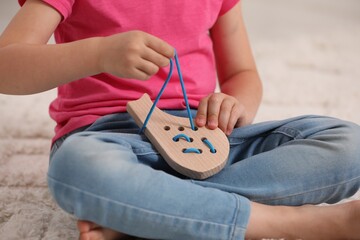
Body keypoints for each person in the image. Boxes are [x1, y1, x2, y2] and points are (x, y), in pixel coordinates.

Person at [0, 0, 359, 239]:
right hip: (109, 139)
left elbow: (242, 72)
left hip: (206, 138)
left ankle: (146, 211)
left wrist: (234, 104)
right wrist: (99, 53)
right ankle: (290, 224)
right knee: (75, 168)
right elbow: (7, 65)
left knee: (349, 145)